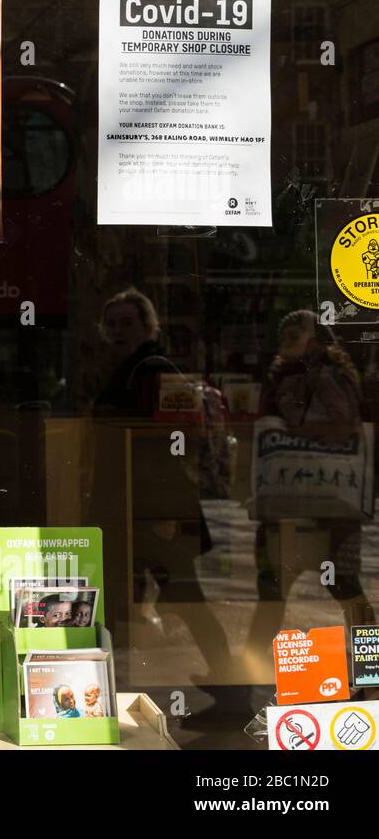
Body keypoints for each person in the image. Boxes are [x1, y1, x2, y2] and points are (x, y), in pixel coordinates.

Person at [93, 287, 233, 694]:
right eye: (112, 324)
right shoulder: (132, 367)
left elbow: (172, 439)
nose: (118, 331)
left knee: (183, 597)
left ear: (148, 326)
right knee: (143, 598)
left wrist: (165, 514)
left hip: (151, 508)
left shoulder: (151, 367)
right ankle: (222, 682)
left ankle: (229, 684)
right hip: (133, 504)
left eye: (127, 323)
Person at [248, 310, 376, 654]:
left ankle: (372, 671)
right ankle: (251, 672)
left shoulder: (326, 375)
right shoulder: (286, 374)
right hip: (313, 498)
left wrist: (291, 434)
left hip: (322, 502)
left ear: (316, 341)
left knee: (340, 586)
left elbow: (343, 426)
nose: (286, 344)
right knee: (280, 588)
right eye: (284, 337)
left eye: (295, 337)